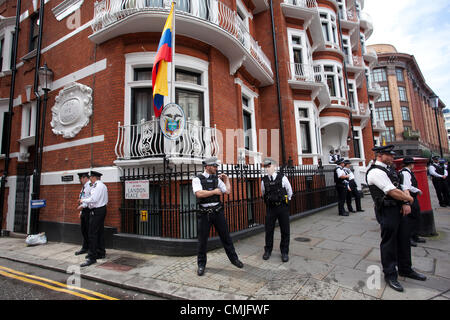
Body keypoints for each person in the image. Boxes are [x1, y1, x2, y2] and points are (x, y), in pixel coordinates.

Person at [367, 145, 426, 292]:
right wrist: (410, 199)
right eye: (390, 155)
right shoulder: (375, 172)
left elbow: (400, 186)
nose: (393, 157)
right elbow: (392, 191)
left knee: (404, 239)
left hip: (399, 209)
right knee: (389, 243)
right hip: (387, 211)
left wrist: (405, 202)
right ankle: (390, 274)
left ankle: (405, 269)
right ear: (380, 155)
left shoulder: (390, 170)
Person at [192, 157, 243, 276]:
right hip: (204, 214)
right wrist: (214, 192)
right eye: (214, 166)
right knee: (202, 241)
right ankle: (201, 265)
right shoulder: (197, 179)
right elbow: (199, 193)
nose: (216, 168)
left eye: (216, 166)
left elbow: (227, 191)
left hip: (217, 212)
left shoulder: (217, 179)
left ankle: (234, 259)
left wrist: (227, 179)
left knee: (226, 237)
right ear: (207, 166)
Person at [261, 157, 293, 262]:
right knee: (269, 230)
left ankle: (284, 252)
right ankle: (268, 251)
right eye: (266, 167)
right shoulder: (264, 180)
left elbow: (290, 192)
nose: (267, 168)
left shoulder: (283, 178)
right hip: (271, 208)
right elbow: (263, 193)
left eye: (269, 166)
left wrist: (285, 203)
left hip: (282, 207)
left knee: (285, 230)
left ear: (274, 167)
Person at [78, 170, 108, 267]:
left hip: (97, 211)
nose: (90, 179)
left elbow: (93, 199)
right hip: (102, 209)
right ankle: (101, 252)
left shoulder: (97, 186)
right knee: (99, 232)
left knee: (92, 233)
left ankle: (92, 257)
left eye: (90, 177)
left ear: (94, 177)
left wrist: (82, 200)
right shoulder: (103, 186)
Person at [399, 157, 426, 247]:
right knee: (411, 218)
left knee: (416, 217)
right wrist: (418, 190)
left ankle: (415, 235)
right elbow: (407, 186)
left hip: (412, 197)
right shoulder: (405, 173)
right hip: (409, 197)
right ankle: (409, 237)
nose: (413, 165)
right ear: (410, 164)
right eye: (413, 163)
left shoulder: (407, 172)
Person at [75, 172, 91, 256]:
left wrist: (83, 206)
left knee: (88, 231)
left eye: (80, 179)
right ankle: (85, 247)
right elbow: (82, 198)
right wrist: (81, 212)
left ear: (85, 178)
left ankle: (89, 249)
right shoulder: (84, 187)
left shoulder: (90, 186)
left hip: (88, 210)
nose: (80, 181)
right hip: (84, 211)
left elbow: (90, 199)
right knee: (84, 230)